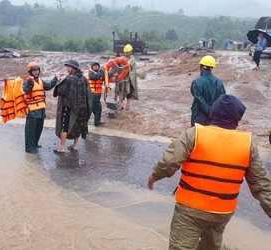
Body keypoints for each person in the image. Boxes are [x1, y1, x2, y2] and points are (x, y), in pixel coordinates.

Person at [147, 94, 271, 250]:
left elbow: (170, 161)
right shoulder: (247, 145)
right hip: (221, 213)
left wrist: (155, 176)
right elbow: (261, 185)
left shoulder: (195, 134)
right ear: (237, 119)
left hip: (189, 210)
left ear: (212, 113)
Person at [53, 60, 92, 154]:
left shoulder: (69, 78)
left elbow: (59, 90)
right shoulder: (83, 79)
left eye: (69, 67)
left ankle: (62, 148)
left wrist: (58, 79)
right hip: (81, 108)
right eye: (67, 67)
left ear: (74, 68)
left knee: (64, 126)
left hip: (69, 107)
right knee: (77, 125)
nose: (67, 69)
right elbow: (88, 94)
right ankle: (74, 146)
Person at [22, 62, 62, 154]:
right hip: (32, 110)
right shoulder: (27, 82)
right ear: (30, 71)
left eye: (37, 70)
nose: (36, 72)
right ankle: (29, 147)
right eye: (34, 70)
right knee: (30, 130)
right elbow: (27, 91)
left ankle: (35, 144)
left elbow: (48, 86)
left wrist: (55, 78)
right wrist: (30, 82)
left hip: (41, 110)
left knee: (38, 128)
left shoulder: (40, 80)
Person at [190, 55, 226, 127]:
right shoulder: (219, 82)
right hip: (213, 118)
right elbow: (222, 99)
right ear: (211, 68)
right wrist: (211, 111)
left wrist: (208, 111)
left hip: (199, 117)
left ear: (202, 67)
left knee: (197, 137)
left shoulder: (196, 82)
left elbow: (199, 99)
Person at [87, 60, 112, 126]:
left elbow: (107, 76)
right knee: (92, 108)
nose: (96, 67)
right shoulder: (90, 72)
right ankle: (84, 123)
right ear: (92, 67)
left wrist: (112, 74)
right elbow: (95, 77)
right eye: (94, 66)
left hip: (97, 95)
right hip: (91, 94)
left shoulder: (100, 73)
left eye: (97, 66)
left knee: (97, 108)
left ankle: (97, 122)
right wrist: (101, 71)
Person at [116, 44, 138, 111]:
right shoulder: (122, 58)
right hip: (122, 77)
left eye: (128, 52)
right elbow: (118, 65)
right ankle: (121, 104)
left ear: (130, 52)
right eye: (125, 52)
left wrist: (125, 63)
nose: (126, 53)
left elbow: (129, 64)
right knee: (121, 90)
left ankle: (128, 103)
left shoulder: (132, 59)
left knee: (128, 90)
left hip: (129, 78)